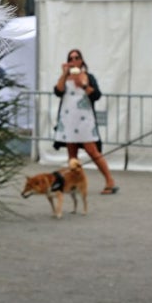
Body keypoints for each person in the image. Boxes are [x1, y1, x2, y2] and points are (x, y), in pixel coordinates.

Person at [51, 48, 118, 194]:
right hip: (68, 119)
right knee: (72, 154)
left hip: (84, 120)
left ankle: (110, 181)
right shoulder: (65, 77)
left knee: (92, 151)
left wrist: (83, 85)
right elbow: (58, 91)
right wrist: (64, 74)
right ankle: (73, 182)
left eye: (76, 58)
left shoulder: (88, 77)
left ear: (81, 60)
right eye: (70, 59)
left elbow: (96, 95)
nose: (73, 61)